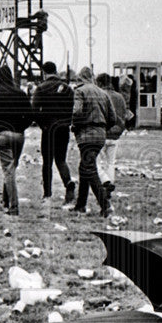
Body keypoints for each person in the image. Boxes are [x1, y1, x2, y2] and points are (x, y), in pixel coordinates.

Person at [0, 65, 33, 215]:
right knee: (11, 169)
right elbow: (30, 117)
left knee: (8, 171)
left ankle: (13, 206)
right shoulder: (20, 93)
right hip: (18, 136)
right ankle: (5, 199)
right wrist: (20, 129)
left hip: (2, 135)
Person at [70, 66, 116, 217]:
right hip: (101, 134)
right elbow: (113, 118)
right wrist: (102, 127)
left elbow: (76, 111)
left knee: (89, 169)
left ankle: (105, 206)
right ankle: (80, 204)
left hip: (86, 134)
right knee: (85, 167)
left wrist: (75, 125)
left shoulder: (79, 91)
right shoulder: (103, 93)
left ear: (80, 78)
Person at [32, 61, 76, 204]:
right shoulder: (67, 88)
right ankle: (68, 182)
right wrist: (67, 122)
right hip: (63, 128)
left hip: (48, 129)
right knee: (61, 160)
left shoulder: (41, 88)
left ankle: (47, 194)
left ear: (44, 73)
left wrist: (42, 125)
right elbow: (73, 108)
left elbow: (34, 110)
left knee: (47, 162)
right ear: (56, 71)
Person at [96, 73, 130, 198]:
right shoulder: (120, 97)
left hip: (102, 133)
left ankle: (105, 181)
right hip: (116, 134)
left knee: (95, 162)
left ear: (99, 83)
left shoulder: (100, 96)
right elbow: (125, 115)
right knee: (111, 162)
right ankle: (109, 186)